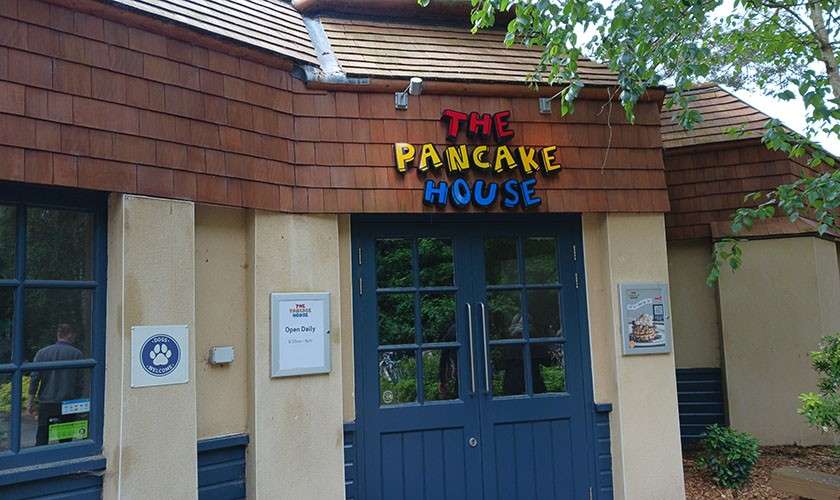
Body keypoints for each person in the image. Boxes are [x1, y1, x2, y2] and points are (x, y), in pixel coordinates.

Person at [27, 323, 84, 446]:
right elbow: (80, 382)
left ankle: (40, 461)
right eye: (74, 335)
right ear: (70, 335)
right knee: (65, 438)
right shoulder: (77, 354)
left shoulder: (42, 353)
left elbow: (34, 379)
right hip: (68, 402)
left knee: (42, 436)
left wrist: (30, 402)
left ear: (58, 334)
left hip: (47, 401)